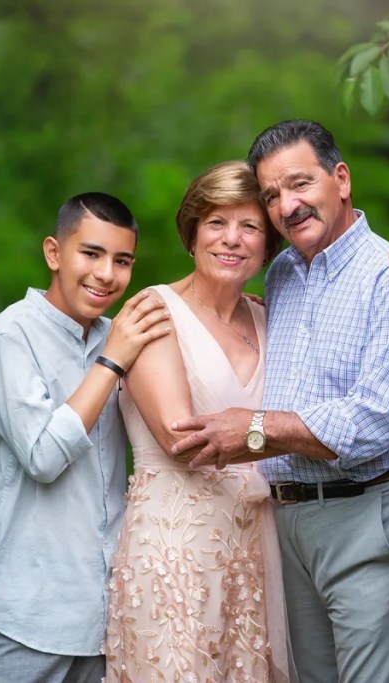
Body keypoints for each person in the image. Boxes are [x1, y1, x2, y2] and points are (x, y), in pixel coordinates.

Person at [171, 120, 389, 683]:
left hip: (368, 515)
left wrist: (255, 428)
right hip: (288, 525)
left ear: (341, 179)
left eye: (300, 184)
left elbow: (370, 424)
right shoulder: (283, 273)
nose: (287, 206)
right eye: (271, 196)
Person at [0, 192, 171, 683]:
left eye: (122, 261)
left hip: (107, 623)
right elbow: (42, 456)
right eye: (91, 253)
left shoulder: (117, 337)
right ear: (54, 253)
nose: (106, 274)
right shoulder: (11, 335)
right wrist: (112, 360)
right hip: (23, 621)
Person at [102, 161, 291, 682]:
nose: (232, 239)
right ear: (192, 234)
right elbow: (182, 439)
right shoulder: (154, 312)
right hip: (175, 548)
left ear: (268, 244)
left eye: (250, 226)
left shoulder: (268, 318)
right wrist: (304, 437)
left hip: (255, 549)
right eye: (216, 223)